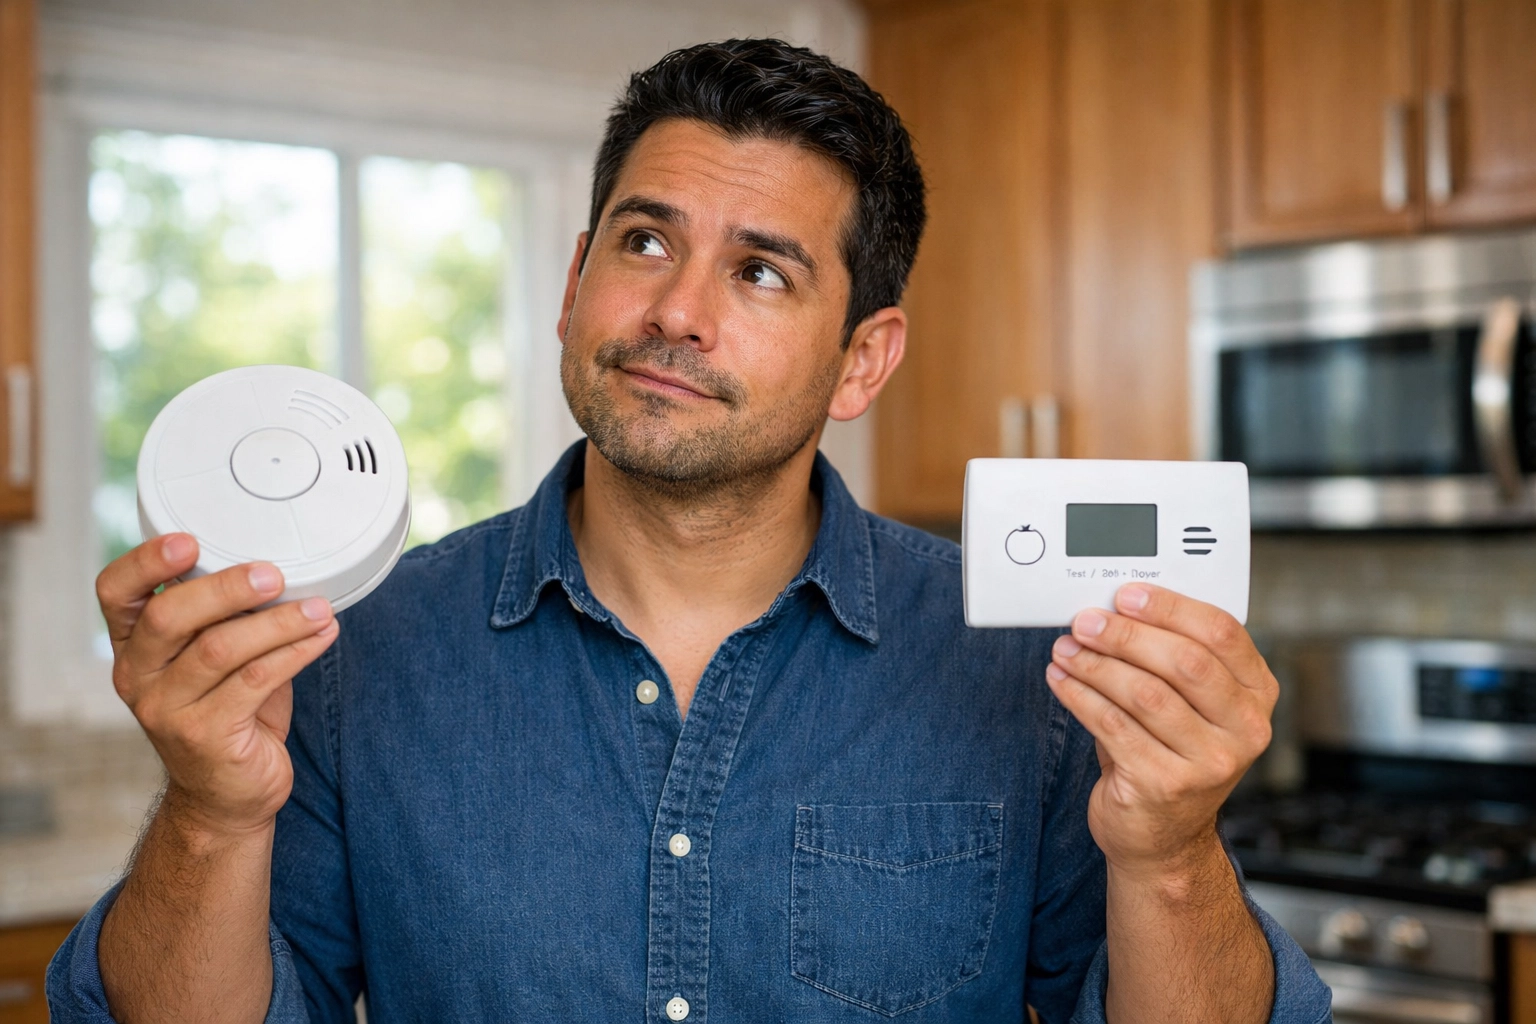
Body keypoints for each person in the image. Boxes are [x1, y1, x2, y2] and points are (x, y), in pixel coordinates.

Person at [49, 39, 1330, 1024]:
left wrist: (1169, 851)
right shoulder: (352, 651)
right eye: (645, 238)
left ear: (863, 361)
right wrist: (214, 813)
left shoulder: (1032, 664)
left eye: (762, 270)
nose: (676, 310)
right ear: (571, 284)